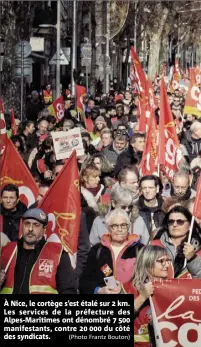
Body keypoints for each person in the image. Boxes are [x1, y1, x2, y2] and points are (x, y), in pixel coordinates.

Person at [1, 208, 77, 294]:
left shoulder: (57, 253)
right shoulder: (7, 250)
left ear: (44, 229)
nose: (30, 229)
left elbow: (68, 290)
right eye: (27, 224)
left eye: (36, 225)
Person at [79, 208, 144, 294]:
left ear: (128, 227)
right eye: (115, 226)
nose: (119, 229)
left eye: (123, 225)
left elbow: (145, 280)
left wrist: (125, 288)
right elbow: (85, 281)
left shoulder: (140, 250)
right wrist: (100, 290)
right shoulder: (97, 250)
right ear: (108, 228)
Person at [122, 245, 172, 346]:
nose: (167, 265)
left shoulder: (171, 288)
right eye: (161, 261)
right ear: (148, 263)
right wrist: (142, 296)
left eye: (168, 260)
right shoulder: (127, 288)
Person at [151, 205, 201, 278]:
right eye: (171, 221)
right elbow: (143, 273)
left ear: (190, 225)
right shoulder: (154, 245)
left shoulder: (199, 249)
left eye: (180, 221)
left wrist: (192, 259)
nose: (174, 225)